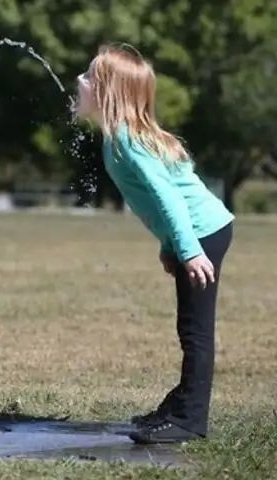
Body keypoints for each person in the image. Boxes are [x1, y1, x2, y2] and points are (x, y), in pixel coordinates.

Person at [73, 43, 235, 445]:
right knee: (189, 328)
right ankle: (180, 404)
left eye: (90, 76)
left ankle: (189, 420)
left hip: (202, 234)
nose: (80, 80)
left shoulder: (126, 140)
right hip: (196, 234)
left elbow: (169, 198)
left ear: (108, 92)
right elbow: (168, 193)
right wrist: (170, 245)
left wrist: (189, 249)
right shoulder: (121, 137)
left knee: (196, 330)